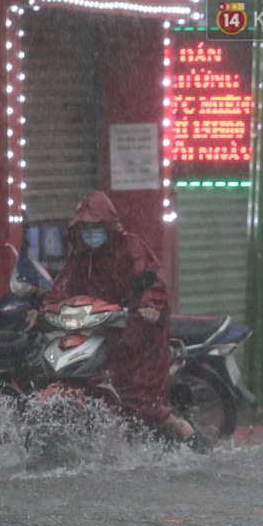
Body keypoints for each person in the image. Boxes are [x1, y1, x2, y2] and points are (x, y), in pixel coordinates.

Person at [39, 190, 210, 452]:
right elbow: (61, 289)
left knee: (139, 401)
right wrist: (47, 310)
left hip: (136, 333)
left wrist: (148, 306)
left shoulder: (131, 247)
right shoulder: (80, 258)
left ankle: (184, 431)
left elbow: (152, 282)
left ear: (108, 225)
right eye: (84, 228)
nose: (90, 233)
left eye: (95, 227)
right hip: (98, 330)